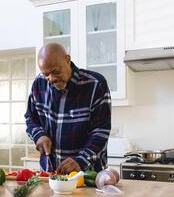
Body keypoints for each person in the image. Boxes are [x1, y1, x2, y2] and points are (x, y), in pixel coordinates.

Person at [25, 43, 111, 174]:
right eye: (46, 74)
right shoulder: (39, 84)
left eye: (55, 72)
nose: (51, 79)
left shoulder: (95, 84)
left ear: (67, 59)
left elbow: (100, 131)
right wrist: (39, 135)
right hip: (50, 173)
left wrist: (80, 160)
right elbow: (31, 117)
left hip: (87, 174)